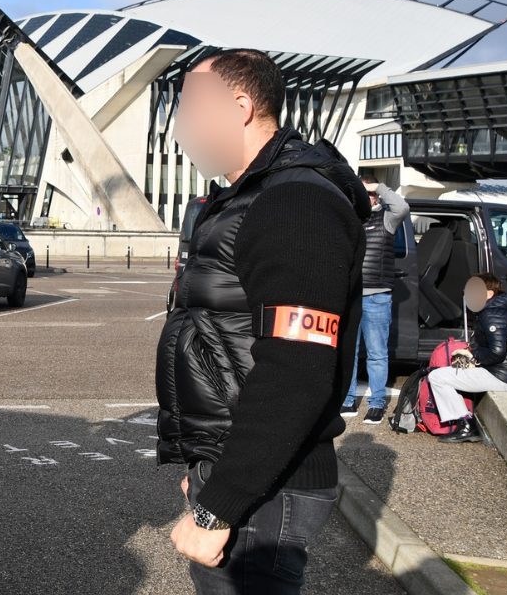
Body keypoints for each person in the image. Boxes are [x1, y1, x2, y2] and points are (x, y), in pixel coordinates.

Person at [156, 48, 370, 593]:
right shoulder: (243, 198)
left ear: (241, 106)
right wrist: (205, 466)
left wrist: (219, 506)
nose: (180, 129)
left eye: (189, 110)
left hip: (268, 490)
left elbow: (295, 370)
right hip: (243, 471)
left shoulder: (294, 202)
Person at [340, 176, 410, 424]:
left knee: (377, 353)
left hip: (377, 296)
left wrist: (377, 187)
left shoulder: (387, 218)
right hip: (352, 297)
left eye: (366, 192)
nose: (363, 197)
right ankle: (347, 400)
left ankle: (377, 404)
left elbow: (403, 207)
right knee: (349, 352)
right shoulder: (351, 219)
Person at [428, 272, 507, 443]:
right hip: (504, 373)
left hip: (500, 376)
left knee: (437, 377)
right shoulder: (501, 310)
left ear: (489, 294)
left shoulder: (492, 315)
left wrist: (473, 355)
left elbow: (497, 353)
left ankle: (466, 425)